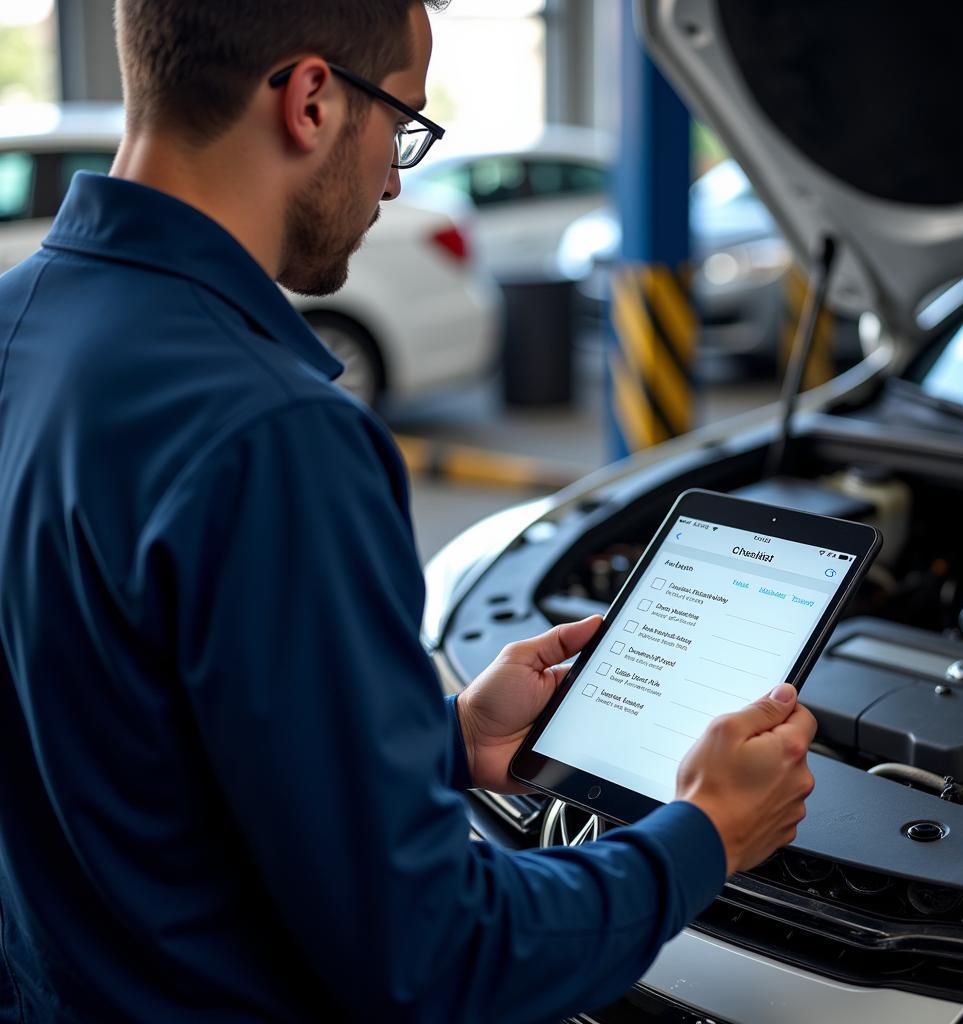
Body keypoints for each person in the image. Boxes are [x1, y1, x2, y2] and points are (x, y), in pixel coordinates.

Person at [0, 1, 816, 1021]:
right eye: (402, 123)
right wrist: (704, 831)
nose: (394, 176)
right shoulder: (275, 435)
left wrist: (448, 739)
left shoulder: (19, 323)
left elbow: (118, 736)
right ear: (309, 100)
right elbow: (434, 955)